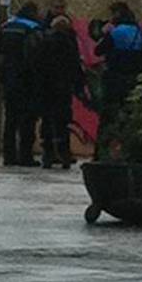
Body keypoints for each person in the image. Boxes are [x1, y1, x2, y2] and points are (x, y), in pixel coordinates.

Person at [94, 2, 142, 153]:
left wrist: (105, 33)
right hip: (132, 79)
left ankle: (102, 151)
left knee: (108, 116)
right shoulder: (138, 32)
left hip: (113, 78)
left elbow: (98, 50)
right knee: (129, 116)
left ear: (116, 14)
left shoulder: (115, 32)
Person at [0, 2, 43, 167]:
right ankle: (25, 156)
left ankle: (8, 156)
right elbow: (37, 55)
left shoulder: (7, 27)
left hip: (9, 79)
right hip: (27, 80)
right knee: (28, 119)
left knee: (10, 119)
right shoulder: (33, 29)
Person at [38, 14, 85, 169]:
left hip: (46, 87)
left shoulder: (45, 41)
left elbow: (37, 64)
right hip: (63, 88)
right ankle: (64, 154)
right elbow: (75, 66)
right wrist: (79, 86)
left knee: (47, 120)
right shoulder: (69, 43)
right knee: (62, 121)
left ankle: (48, 155)